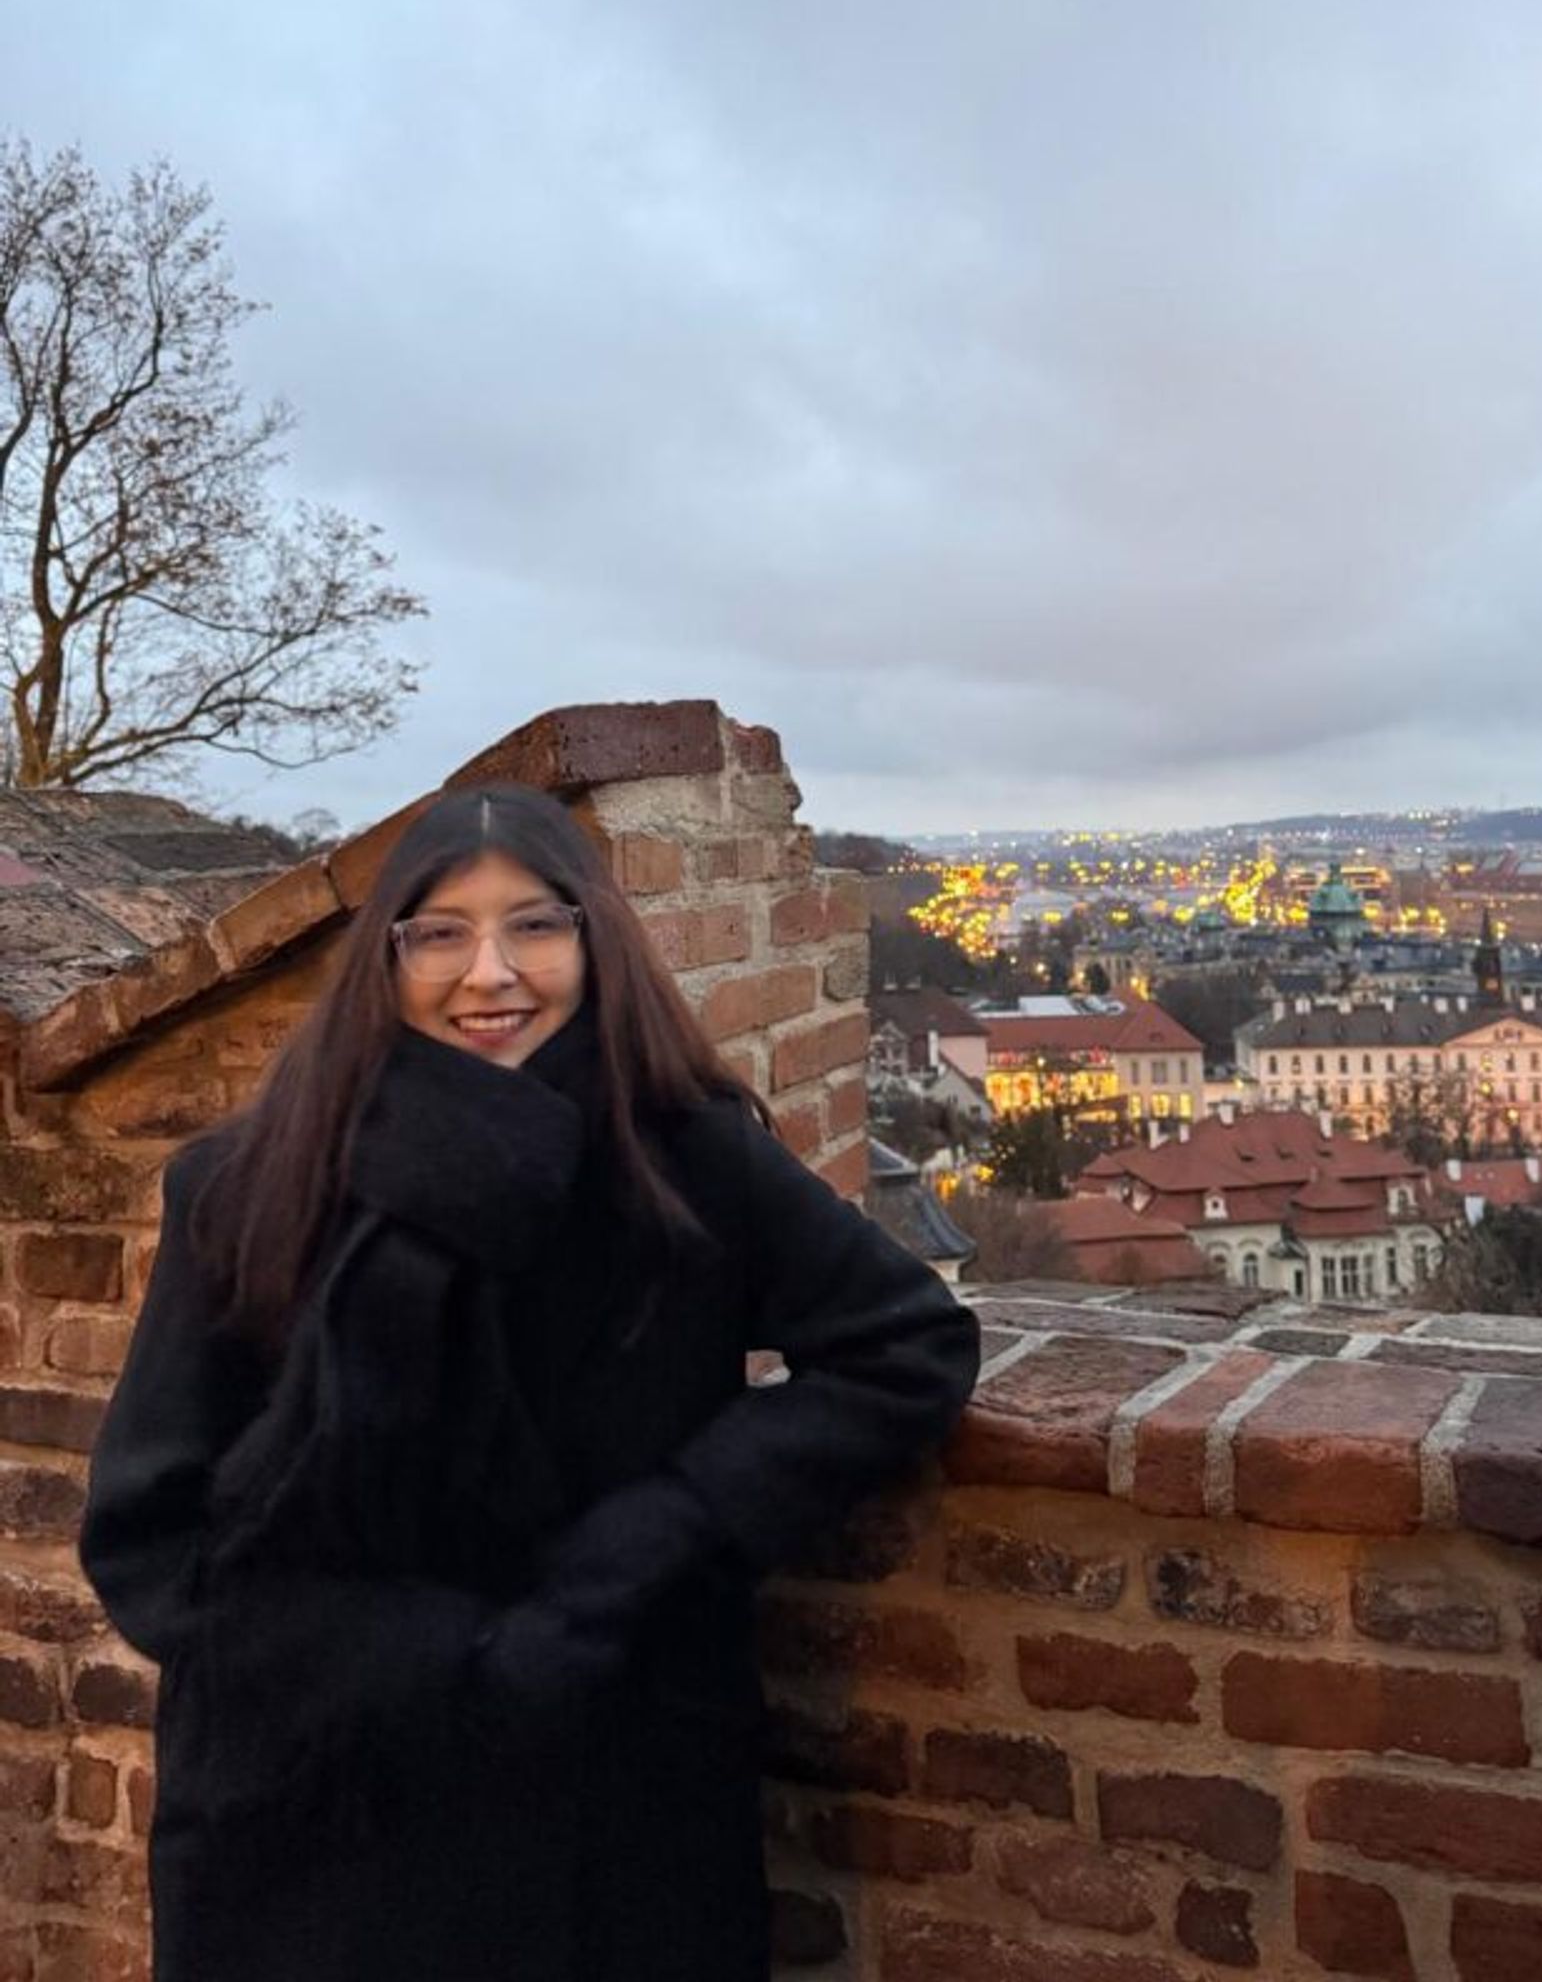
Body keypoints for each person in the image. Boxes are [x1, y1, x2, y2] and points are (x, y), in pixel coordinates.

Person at [80, 782, 980, 1982]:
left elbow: (906, 1345)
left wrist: (659, 1532)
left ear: (593, 938)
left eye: (535, 925)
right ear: (385, 956)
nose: (490, 972)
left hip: (606, 1778)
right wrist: (431, 1658)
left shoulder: (685, 1160)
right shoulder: (255, 1183)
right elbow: (149, 1534)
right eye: (441, 931)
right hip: (317, 1803)